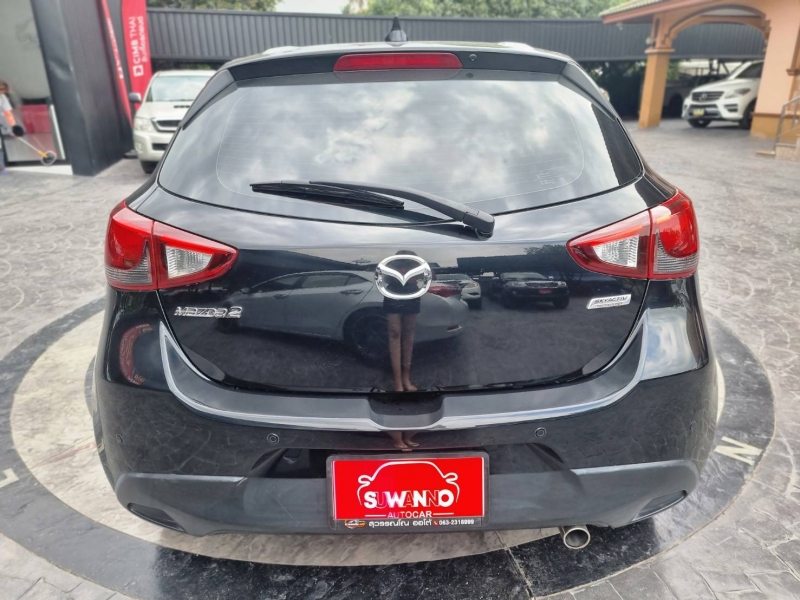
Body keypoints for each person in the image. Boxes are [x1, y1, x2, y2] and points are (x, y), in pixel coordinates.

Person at [0, 81, 24, 174]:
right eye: (2, 90)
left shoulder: (2, 98)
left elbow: (8, 113)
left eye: (4, 91)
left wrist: (13, 127)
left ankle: (1, 168)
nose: (3, 92)